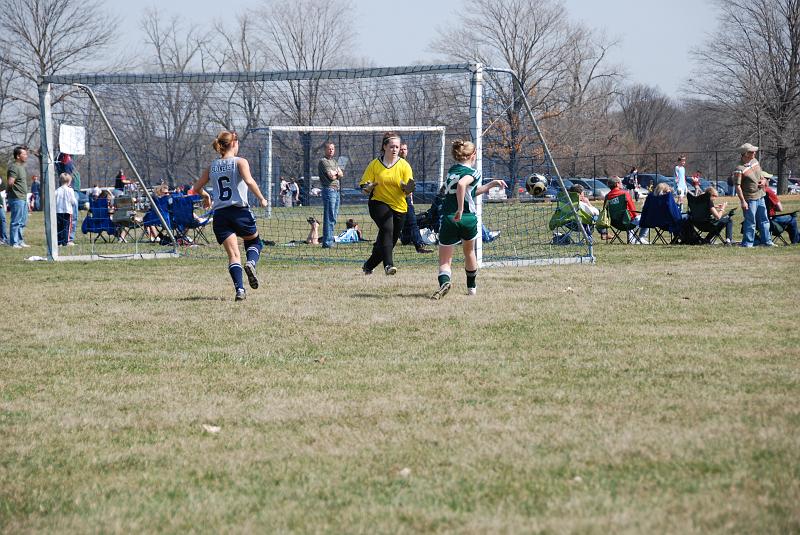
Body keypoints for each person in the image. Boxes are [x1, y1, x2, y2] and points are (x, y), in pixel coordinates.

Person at [192, 130, 269, 301]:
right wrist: (262, 198)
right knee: (254, 242)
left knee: (233, 255)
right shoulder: (240, 162)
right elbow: (249, 181)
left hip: (220, 215)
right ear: (233, 143)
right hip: (239, 211)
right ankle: (251, 263)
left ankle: (240, 290)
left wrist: (206, 196)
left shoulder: (212, 166)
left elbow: (196, 188)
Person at [430, 139, 507, 299]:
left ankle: (445, 281)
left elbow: (469, 191)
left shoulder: (452, 171)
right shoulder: (474, 172)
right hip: (467, 218)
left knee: (445, 260)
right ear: (474, 155)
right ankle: (471, 288)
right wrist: (461, 208)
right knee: (469, 252)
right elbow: (462, 186)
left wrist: (491, 184)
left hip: (449, 219)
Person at [358, 132, 415, 275]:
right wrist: (368, 187)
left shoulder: (404, 165)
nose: (395, 149)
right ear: (384, 147)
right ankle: (388, 266)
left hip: (400, 207)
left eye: (397, 147)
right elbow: (364, 187)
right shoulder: (375, 164)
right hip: (378, 202)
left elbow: (409, 188)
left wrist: (406, 187)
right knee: (387, 228)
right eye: (391, 146)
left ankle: (368, 266)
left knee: (388, 241)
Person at [734, 143, 774, 247]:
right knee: (750, 221)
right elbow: (737, 186)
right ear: (746, 154)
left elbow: (762, 176)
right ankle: (748, 243)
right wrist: (743, 201)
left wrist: (764, 181)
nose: (754, 153)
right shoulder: (739, 168)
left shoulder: (755, 162)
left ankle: (767, 241)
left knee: (764, 220)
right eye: (752, 152)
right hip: (750, 199)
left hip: (761, 196)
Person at [398, 142, 432, 253]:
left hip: (406, 198)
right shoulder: (394, 164)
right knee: (390, 223)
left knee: (413, 222)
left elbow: (409, 183)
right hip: (394, 198)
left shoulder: (406, 165)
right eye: (401, 149)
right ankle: (383, 242)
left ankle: (419, 245)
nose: (403, 151)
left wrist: (410, 197)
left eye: (405, 149)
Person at [605, 175, 649, 244]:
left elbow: (605, 210)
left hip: (613, 223)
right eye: (621, 182)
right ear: (617, 184)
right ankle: (641, 237)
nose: (622, 184)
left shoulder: (607, 196)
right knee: (647, 217)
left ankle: (631, 237)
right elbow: (632, 209)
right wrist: (636, 217)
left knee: (628, 216)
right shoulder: (625, 193)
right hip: (627, 223)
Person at [317, 141, 343, 248]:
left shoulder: (335, 162)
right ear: (325, 150)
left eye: (333, 148)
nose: (331, 150)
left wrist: (336, 173)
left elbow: (341, 174)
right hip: (329, 190)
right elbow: (331, 176)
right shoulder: (323, 161)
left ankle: (330, 239)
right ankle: (327, 242)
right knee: (329, 217)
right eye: (329, 149)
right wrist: (337, 173)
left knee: (334, 217)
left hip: (337, 191)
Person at [7, 145, 30, 248]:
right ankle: (14, 242)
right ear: (17, 156)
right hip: (16, 198)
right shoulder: (14, 167)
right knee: (16, 221)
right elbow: (11, 182)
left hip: (23, 198)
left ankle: (20, 241)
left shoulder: (21, 167)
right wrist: (13, 193)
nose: (26, 156)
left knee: (22, 221)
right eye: (24, 154)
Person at [55, 173, 77, 246]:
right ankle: (66, 241)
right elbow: (73, 201)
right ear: (69, 181)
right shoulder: (70, 190)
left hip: (58, 211)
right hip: (67, 211)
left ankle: (59, 242)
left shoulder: (57, 190)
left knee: (59, 227)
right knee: (67, 227)